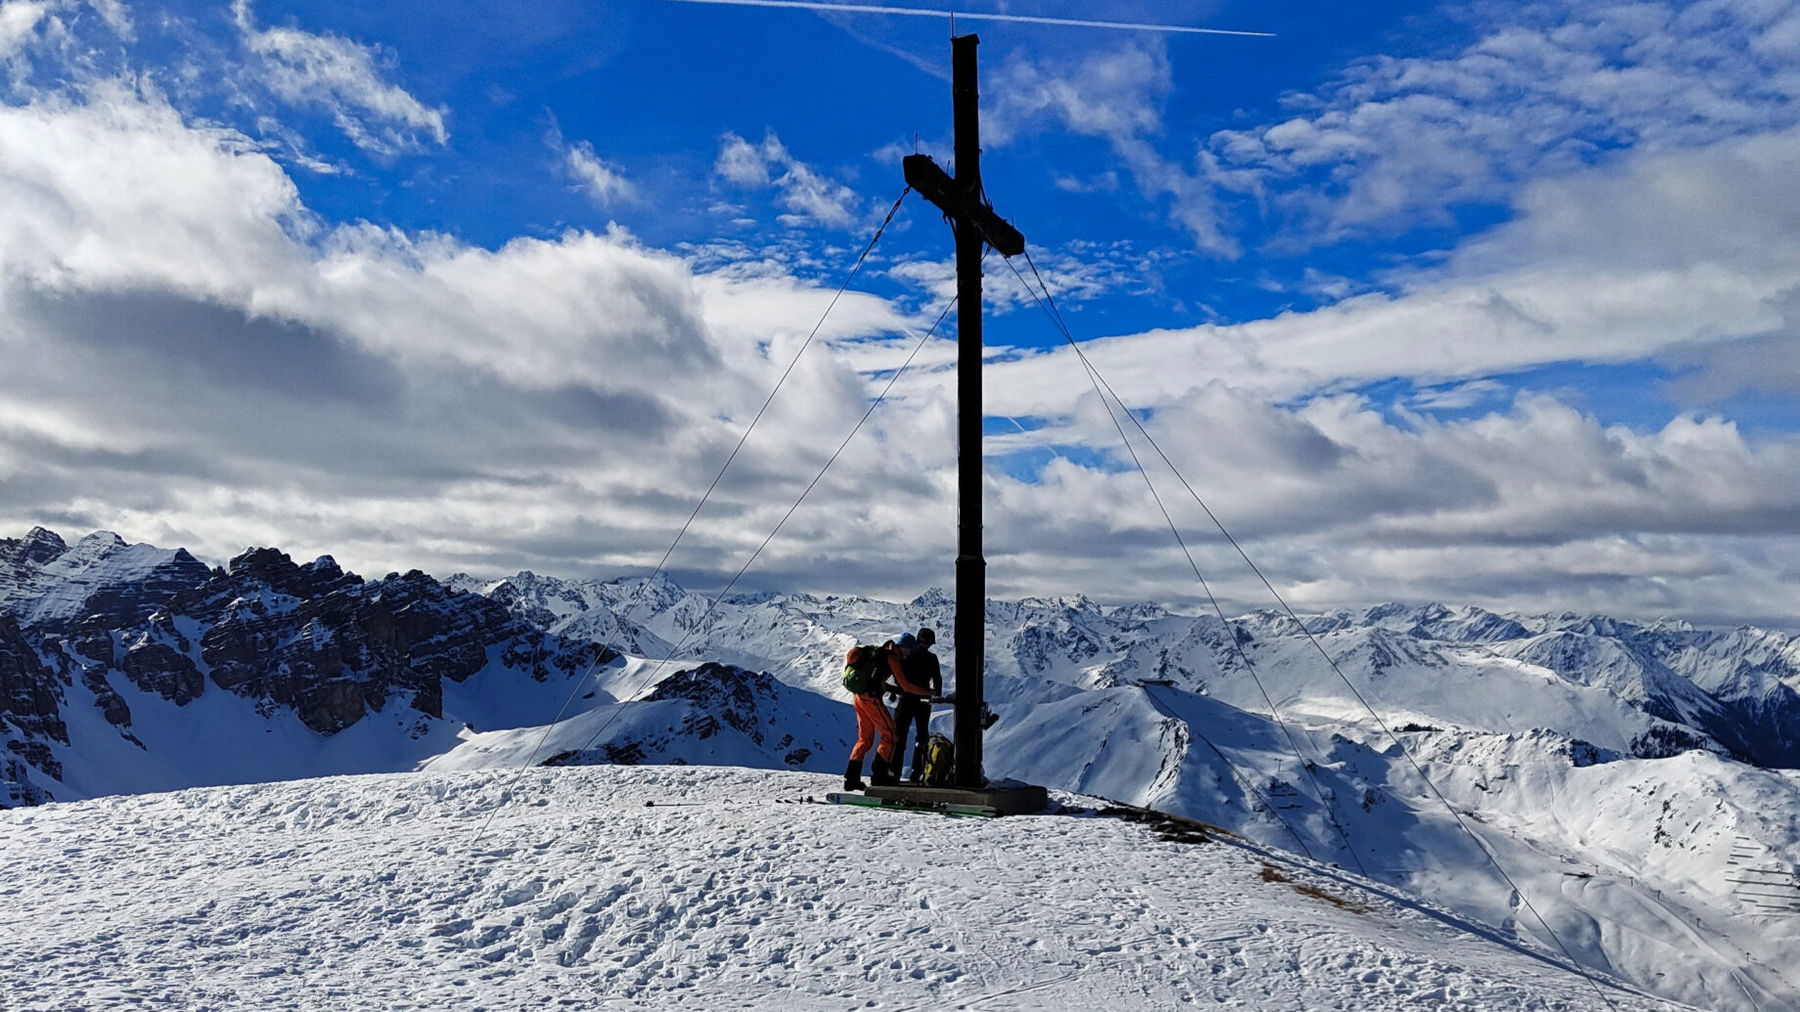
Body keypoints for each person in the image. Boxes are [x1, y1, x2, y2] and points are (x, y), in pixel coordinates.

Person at [844, 640, 907, 791]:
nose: (905, 655)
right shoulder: (890, 657)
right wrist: (927, 692)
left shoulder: (874, 654)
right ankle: (879, 776)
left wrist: (892, 691)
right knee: (890, 735)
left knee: (864, 739)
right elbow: (905, 685)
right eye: (905, 651)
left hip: (858, 697)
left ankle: (851, 779)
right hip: (871, 700)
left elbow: (878, 681)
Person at [892, 628, 942, 781]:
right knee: (922, 738)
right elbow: (937, 680)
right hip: (923, 701)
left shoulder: (907, 656)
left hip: (906, 699)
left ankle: (894, 772)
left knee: (899, 737)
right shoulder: (931, 658)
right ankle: (917, 773)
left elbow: (897, 677)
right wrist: (935, 694)